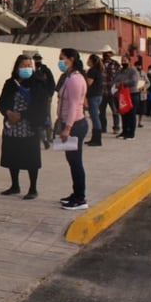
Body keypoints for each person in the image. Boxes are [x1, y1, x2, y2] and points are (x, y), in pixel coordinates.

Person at [0, 54, 48, 199]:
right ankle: (15, 185)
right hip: (11, 126)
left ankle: (33, 188)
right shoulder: (10, 83)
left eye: (28, 66)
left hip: (29, 127)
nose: (26, 69)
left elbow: (40, 106)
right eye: (23, 66)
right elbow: (1, 101)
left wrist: (22, 115)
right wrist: (8, 113)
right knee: (12, 156)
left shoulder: (37, 84)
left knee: (31, 158)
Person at [56, 48, 90, 210]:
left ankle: (80, 198)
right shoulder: (70, 77)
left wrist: (67, 128)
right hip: (70, 123)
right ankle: (76, 193)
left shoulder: (75, 80)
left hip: (75, 125)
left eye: (62, 58)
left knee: (76, 162)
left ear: (71, 59)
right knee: (72, 160)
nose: (60, 62)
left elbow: (74, 105)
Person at [32, 51, 56, 148]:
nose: (37, 61)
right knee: (37, 118)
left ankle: (48, 136)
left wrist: (50, 95)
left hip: (45, 97)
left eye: (39, 59)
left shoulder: (45, 70)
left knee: (46, 117)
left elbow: (52, 84)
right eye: (36, 59)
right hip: (35, 99)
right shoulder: (32, 70)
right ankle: (41, 138)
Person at [113, 55, 140, 140]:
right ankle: (124, 132)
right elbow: (115, 79)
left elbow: (134, 81)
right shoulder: (120, 71)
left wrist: (122, 83)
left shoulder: (133, 70)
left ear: (129, 61)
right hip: (122, 95)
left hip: (132, 94)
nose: (123, 62)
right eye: (122, 60)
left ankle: (131, 134)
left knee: (131, 115)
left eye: (125, 60)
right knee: (124, 113)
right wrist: (117, 83)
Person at [99, 45, 121, 134]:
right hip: (102, 91)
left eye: (108, 53)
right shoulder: (99, 63)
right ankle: (103, 127)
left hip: (112, 91)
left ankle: (116, 127)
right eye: (105, 53)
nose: (106, 55)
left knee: (115, 111)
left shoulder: (115, 64)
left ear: (111, 54)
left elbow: (120, 76)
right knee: (101, 112)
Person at [85, 54, 105, 146]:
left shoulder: (92, 71)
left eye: (88, 60)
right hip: (98, 95)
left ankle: (97, 139)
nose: (87, 61)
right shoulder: (98, 70)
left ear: (92, 61)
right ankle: (94, 138)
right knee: (94, 117)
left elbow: (88, 83)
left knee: (95, 117)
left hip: (93, 96)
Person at [134, 60, 149, 128]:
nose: (139, 67)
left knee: (141, 110)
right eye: (137, 65)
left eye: (140, 65)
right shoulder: (133, 73)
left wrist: (144, 87)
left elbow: (148, 82)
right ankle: (133, 121)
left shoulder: (143, 73)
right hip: (135, 92)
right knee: (134, 108)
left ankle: (140, 122)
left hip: (142, 93)